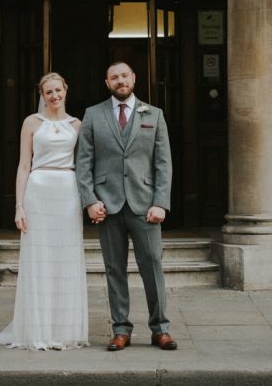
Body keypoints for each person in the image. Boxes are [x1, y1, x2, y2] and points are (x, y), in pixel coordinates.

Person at [75, 61, 177, 352]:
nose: (120, 81)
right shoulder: (93, 115)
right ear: (107, 83)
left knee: (153, 267)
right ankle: (120, 329)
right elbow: (83, 163)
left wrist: (160, 203)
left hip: (145, 206)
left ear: (134, 78)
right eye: (114, 77)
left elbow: (163, 164)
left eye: (124, 76)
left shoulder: (154, 115)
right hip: (108, 206)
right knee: (114, 269)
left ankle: (161, 329)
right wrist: (90, 201)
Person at [0, 72, 89, 350]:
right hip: (39, 189)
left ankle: (64, 330)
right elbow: (23, 166)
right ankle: (38, 328)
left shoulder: (77, 125)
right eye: (48, 92)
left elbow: (84, 165)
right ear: (42, 96)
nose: (54, 96)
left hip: (67, 189)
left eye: (58, 90)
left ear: (66, 91)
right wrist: (19, 206)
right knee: (39, 257)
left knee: (65, 256)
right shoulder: (31, 122)